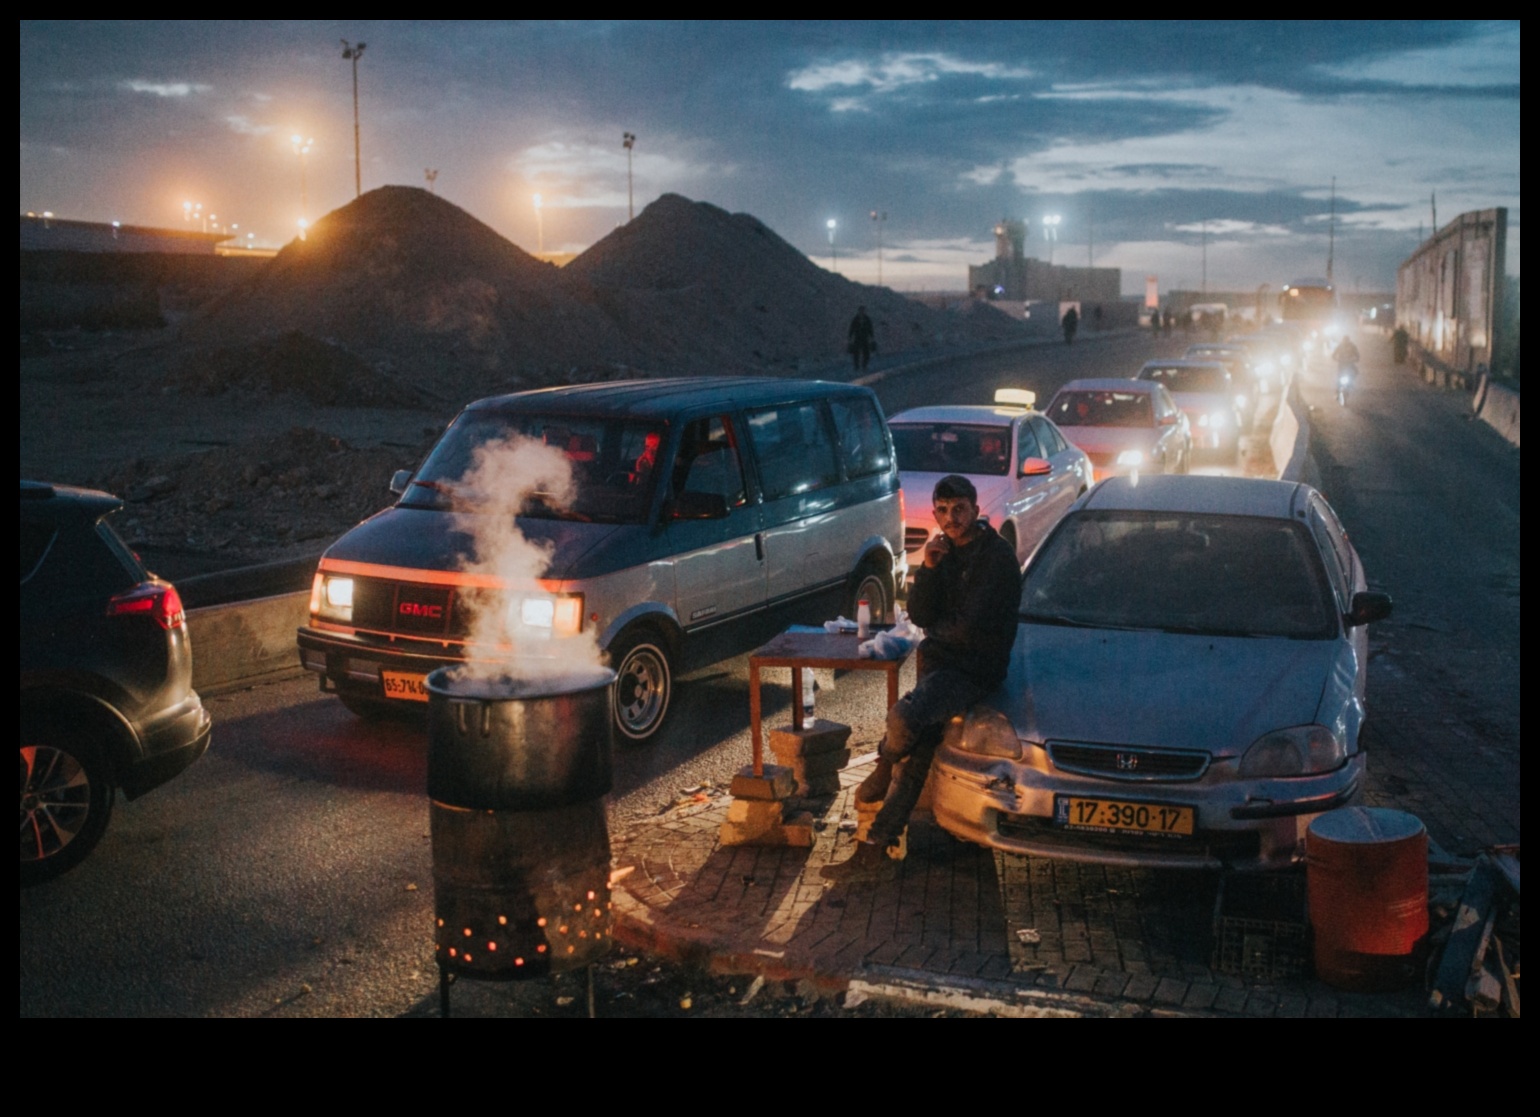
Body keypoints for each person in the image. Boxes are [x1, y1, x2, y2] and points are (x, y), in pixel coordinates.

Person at [825, 474, 1022, 881]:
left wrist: (937, 630)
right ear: (936, 513)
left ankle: (882, 762)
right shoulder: (942, 552)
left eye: (960, 510)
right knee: (916, 758)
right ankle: (873, 853)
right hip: (940, 665)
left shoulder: (996, 557)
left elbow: (971, 628)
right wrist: (929, 569)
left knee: (904, 719)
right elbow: (918, 615)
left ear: (975, 509)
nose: (952, 519)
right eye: (944, 511)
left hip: (974, 669)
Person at [847, 305, 876, 371]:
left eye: (863, 311)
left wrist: (872, 337)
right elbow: (852, 328)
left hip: (865, 338)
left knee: (866, 354)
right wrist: (850, 337)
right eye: (861, 311)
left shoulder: (867, 319)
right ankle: (856, 366)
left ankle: (864, 366)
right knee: (856, 353)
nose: (862, 312)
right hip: (857, 338)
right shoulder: (856, 319)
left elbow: (870, 328)